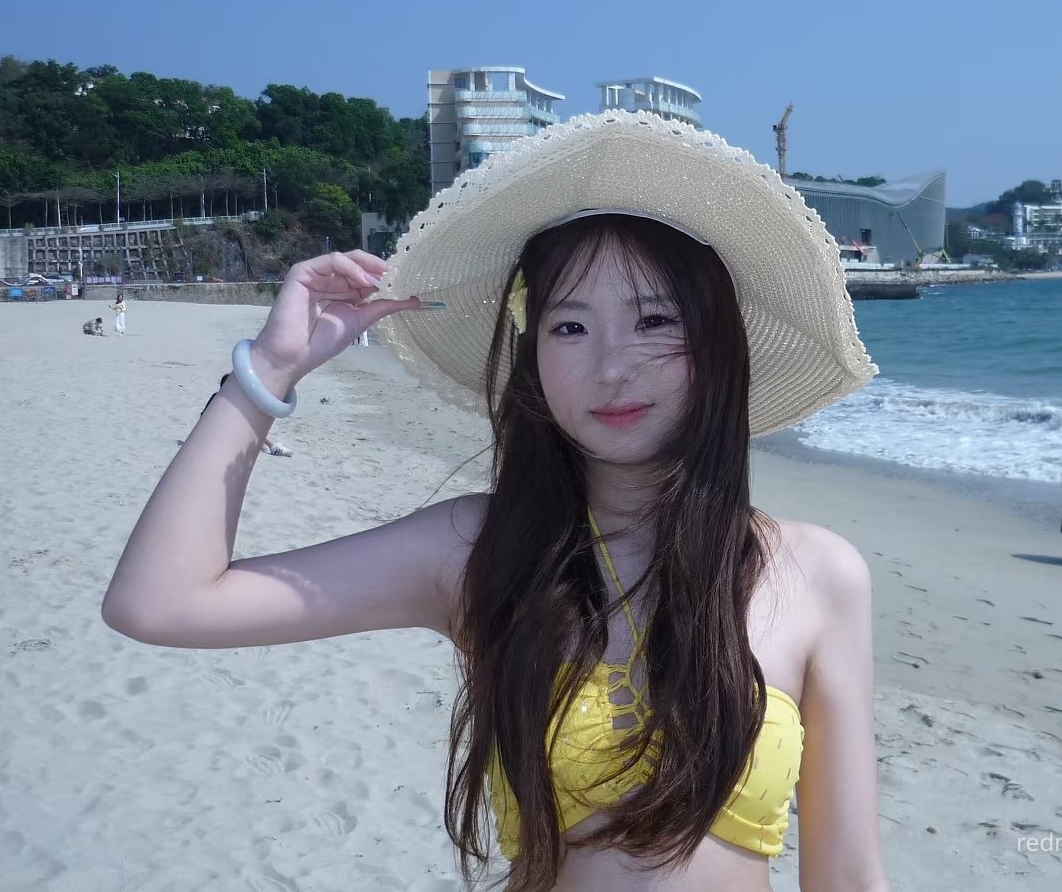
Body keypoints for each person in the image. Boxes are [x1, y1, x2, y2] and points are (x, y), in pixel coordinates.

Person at [101, 112, 890, 892]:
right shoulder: (480, 551)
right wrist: (268, 374)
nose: (612, 367)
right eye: (570, 326)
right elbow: (158, 603)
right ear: (531, 354)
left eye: (654, 320)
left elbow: (850, 874)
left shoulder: (818, 574)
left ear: (717, 344)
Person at [202, 374, 291, 457]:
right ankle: (271, 446)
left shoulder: (218, 397)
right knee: (249, 424)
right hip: (220, 430)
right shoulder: (228, 401)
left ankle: (265, 444)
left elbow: (204, 414)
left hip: (216, 428)